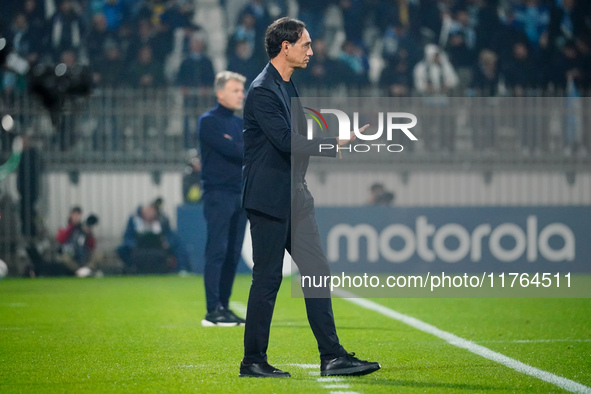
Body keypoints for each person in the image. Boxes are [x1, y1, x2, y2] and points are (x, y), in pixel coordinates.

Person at [240, 17, 380, 378]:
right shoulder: (262, 90)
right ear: (285, 47)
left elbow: (294, 141)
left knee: (317, 272)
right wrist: (334, 144)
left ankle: (332, 357)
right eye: (306, 44)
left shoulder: (287, 86)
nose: (312, 51)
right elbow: (285, 141)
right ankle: (253, 361)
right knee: (268, 279)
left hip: (294, 196)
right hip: (270, 199)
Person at [198, 71, 248, 327]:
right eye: (235, 90)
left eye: (242, 90)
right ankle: (212, 310)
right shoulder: (208, 121)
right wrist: (244, 149)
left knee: (232, 253)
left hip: (240, 194)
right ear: (220, 93)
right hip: (218, 193)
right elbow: (235, 151)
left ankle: (224, 308)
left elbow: (245, 150)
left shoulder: (240, 123)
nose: (241, 94)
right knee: (217, 251)